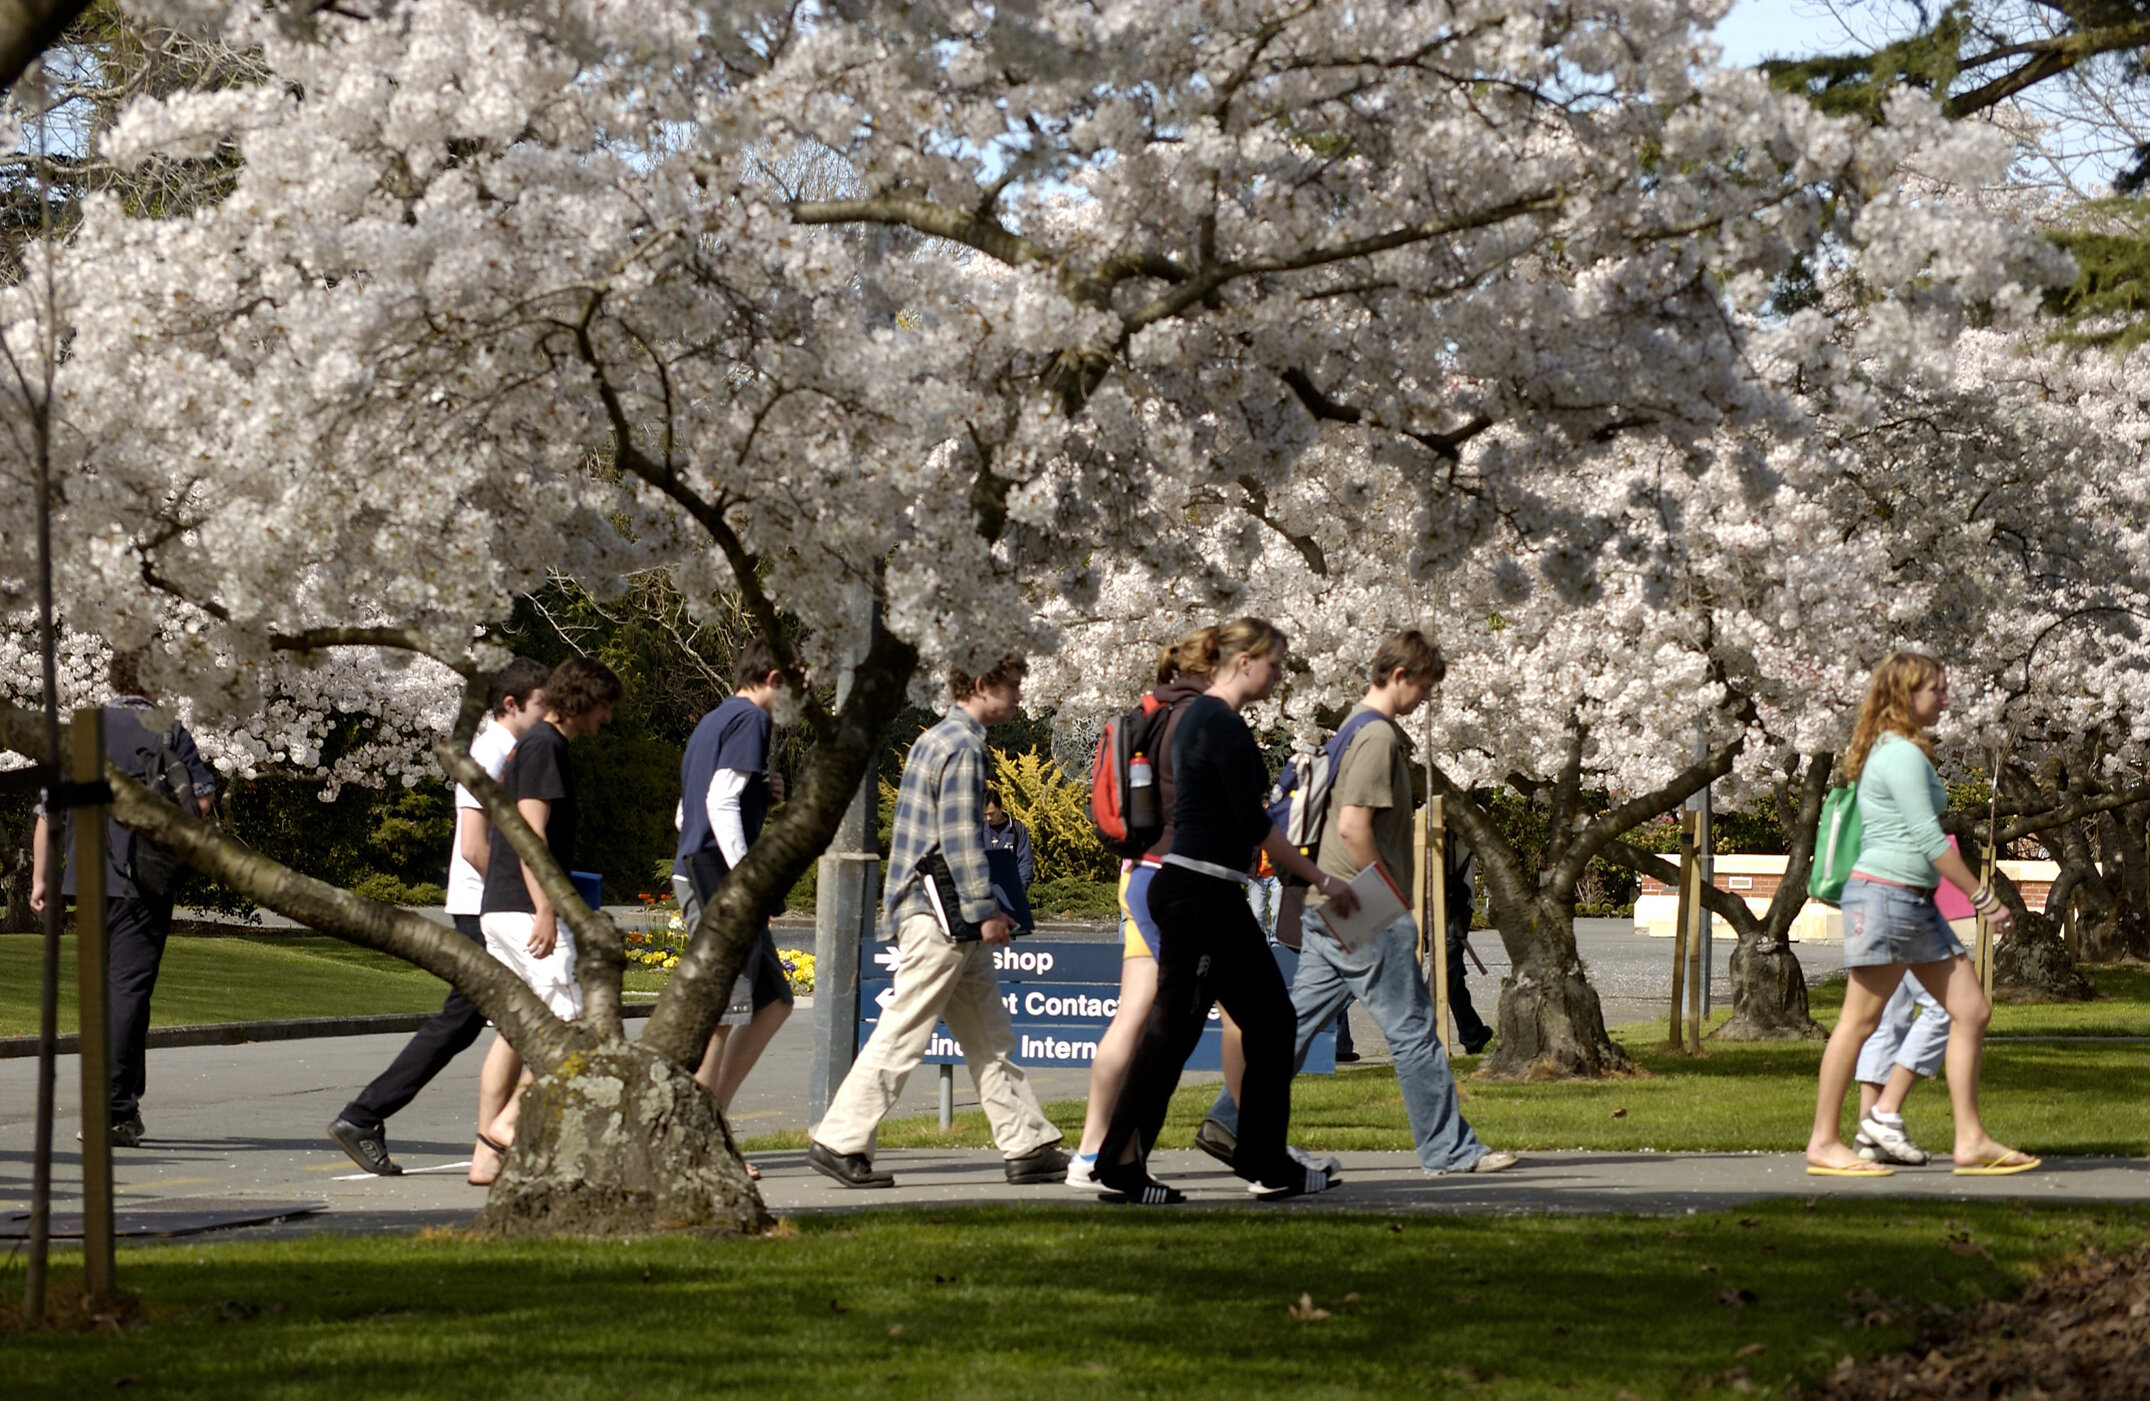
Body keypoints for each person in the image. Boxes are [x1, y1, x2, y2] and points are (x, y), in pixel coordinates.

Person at [1196, 629, 1517, 1177]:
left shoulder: (1348, 730)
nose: (1424, 702)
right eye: (1423, 688)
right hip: (1361, 906)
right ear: (1399, 676)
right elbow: (1352, 827)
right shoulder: (1377, 739)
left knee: (1292, 1027)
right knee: (1414, 1029)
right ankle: (1449, 1150)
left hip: (1328, 904)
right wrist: (1390, 898)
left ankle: (1230, 1119)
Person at [1094, 618, 1361, 1205]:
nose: (1279, 676)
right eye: (1275, 664)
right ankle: (1122, 1163)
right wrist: (1321, 877)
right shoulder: (1217, 722)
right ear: (1243, 661)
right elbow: (1256, 824)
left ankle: (1261, 1161)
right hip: (1199, 896)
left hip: (1206, 893)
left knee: (1263, 1022)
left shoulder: (1204, 719)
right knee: (1175, 1030)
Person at [809, 656, 1068, 1189]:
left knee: (989, 1036)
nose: (1020, 695)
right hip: (941, 918)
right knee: (903, 1029)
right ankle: (841, 1139)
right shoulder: (963, 746)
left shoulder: (937, 739)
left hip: (938, 917)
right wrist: (985, 911)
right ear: (980, 686)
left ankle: (1027, 1144)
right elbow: (959, 842)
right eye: (1012, 686)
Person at [1806, 652, 2035, 1178]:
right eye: (1937, 689)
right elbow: (1930, 841)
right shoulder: (1901, 754)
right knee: (1858, 1021)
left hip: (1908, 901)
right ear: (1907, 695)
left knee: (1971, 1011)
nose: (1946, 698)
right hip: (1888, 898)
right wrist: (1983, 897)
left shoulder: (1895, 749)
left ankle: (1971, 1139)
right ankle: (1823, 1140)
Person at [327, 656, 550, 1176]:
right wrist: (526, 893)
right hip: (483, 908)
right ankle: (368, 1117)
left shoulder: (508, 749)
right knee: (509, 1016)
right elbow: (474, 847)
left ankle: (492, 1144)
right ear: (511, 704)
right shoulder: (489, 755)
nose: (550, 715)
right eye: (543, 705)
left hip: (486, 905)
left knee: (477, 1021)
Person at [30, 649, 216, 1148]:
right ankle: (111, 1108)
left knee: (104, 991)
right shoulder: (166, 729)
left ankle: (124, 1099)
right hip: (142, 878)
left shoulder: (83, 732)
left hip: (85, 879)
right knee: (129, 990)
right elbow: (199, 800)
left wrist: (41, 880)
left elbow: (48, 813)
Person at [1065, 630, 1215, 1188]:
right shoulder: (1190, 722)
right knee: (1239, 1013)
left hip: (1135, 873)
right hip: (1171, 879)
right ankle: (1248, 1139)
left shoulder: (1143, 720)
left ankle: (1089, 1149)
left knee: (1131, 1017)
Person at [470, 655, 622, 1185]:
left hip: (501, 907)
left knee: (515, 1034)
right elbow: (529, 833)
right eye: (603, 707)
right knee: (572, 1028)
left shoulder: (534, 745)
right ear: (581, 700)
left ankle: (485, 1157)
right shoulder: (546, 747)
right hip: (522, 908)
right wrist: (546, 908)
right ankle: (506, 1127)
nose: (606, 719)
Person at [674, 641, 794, 1142]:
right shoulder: (751, 720)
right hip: (719, 882)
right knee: (724, 1011)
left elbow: (686, 812)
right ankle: (696, 1139)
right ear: (771, 677)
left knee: (774, 1001)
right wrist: (750, 882)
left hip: (696, 869)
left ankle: (711, 1119)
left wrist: (760, 792)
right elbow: (720, 803)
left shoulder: (712, 721)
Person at [1444, 842, 1493, 1055]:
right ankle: (1472, 1033)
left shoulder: (1461, 820)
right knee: (1449, 971)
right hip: (1450, 902)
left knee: (1448, 970)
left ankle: (1471, 1033)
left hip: (1454, 903)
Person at [981, 793, 1034, 890]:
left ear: (1001, 807)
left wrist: (1019, 889)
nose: (988, 818)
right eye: (985, 814)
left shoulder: (1017, 829)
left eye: (991, 814)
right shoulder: (978, 830)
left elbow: (1025, 862)